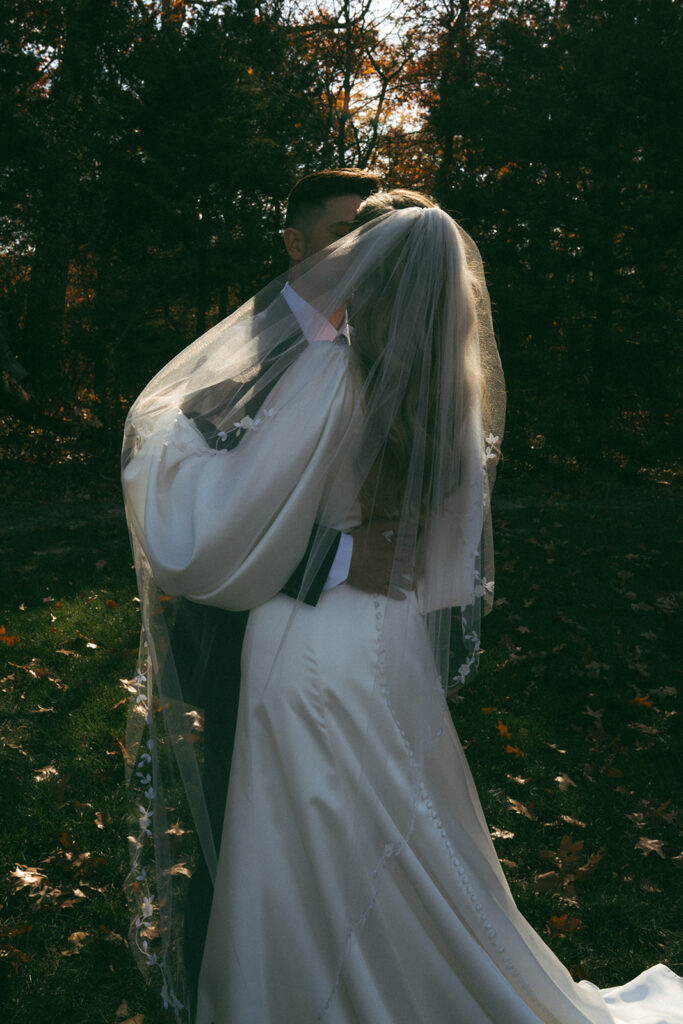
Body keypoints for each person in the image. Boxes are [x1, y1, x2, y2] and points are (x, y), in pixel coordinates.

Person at [122, 196, 682, 1023]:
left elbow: (239, 523)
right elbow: (445, 567)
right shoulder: (456, 389)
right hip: (386, 637)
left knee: (302, 823)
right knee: (387, 816)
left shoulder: (329, 373)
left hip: (306, 641)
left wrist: (169, 434)